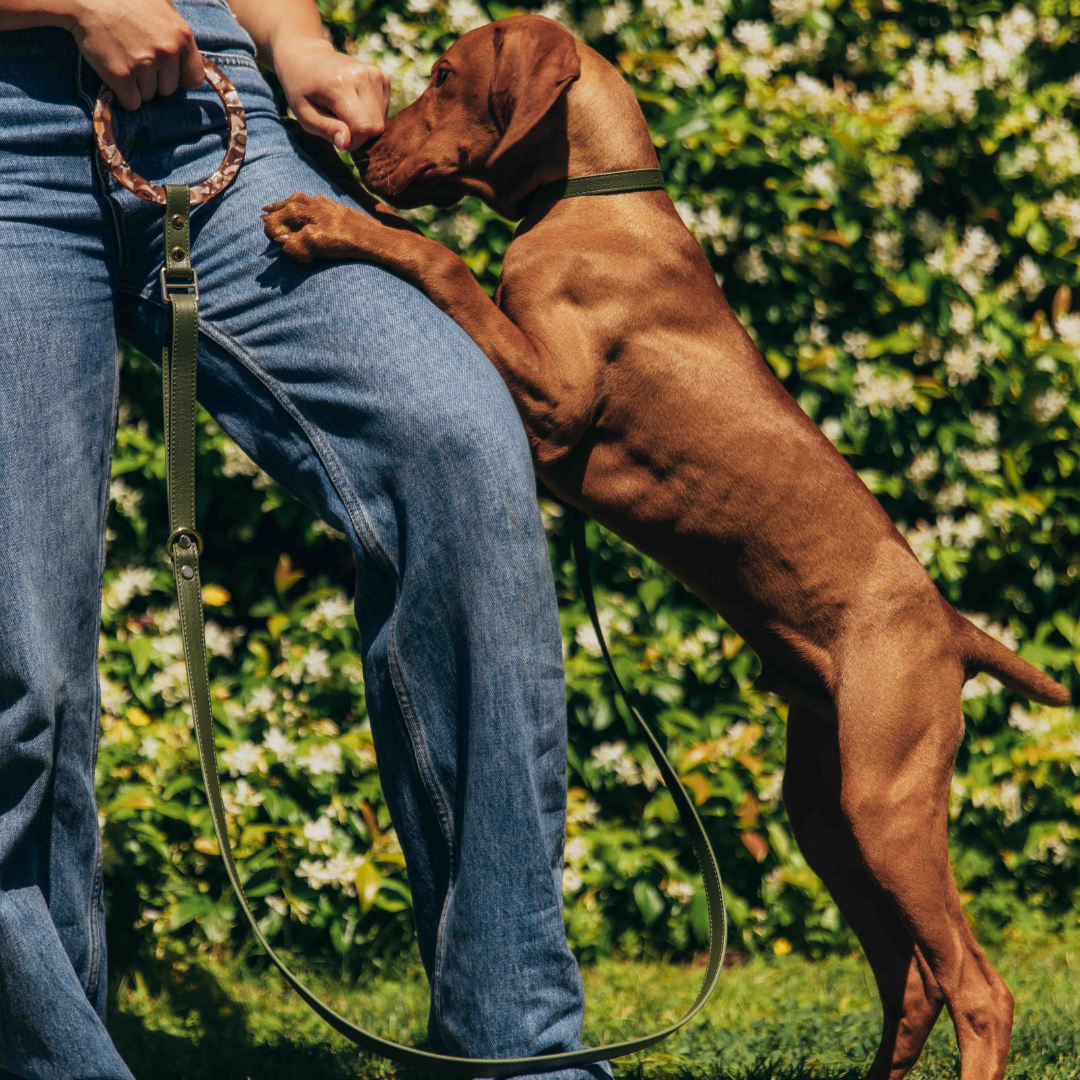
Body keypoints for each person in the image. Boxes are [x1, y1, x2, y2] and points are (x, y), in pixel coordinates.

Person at [0, 2, 610, 1077]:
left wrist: (299, 46)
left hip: (212, 110)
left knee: (455, 436)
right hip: (10, 139)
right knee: (18, 668)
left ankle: (521, 1052)